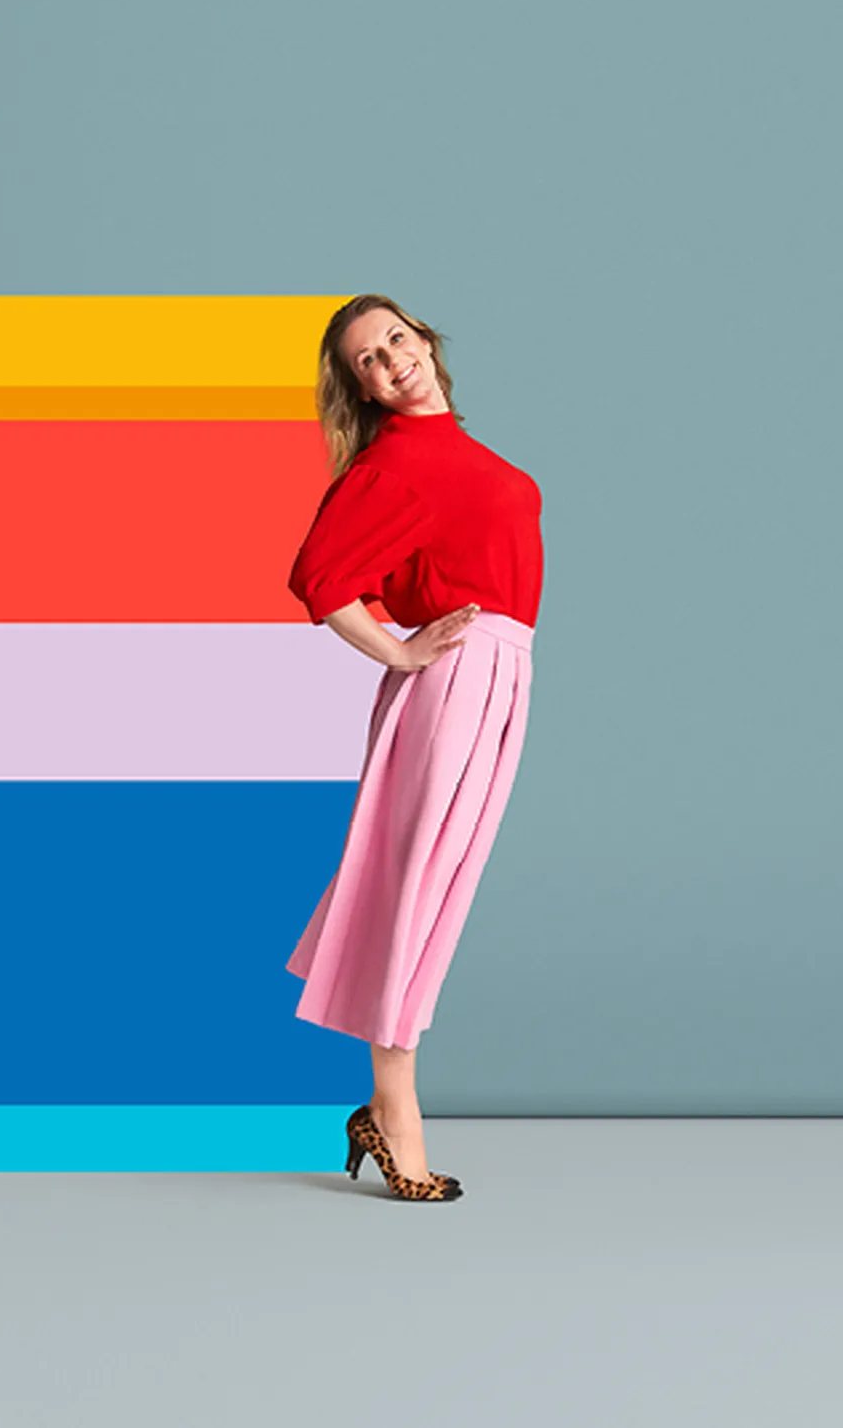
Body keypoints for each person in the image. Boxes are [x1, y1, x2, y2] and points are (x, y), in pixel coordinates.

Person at [281, 294, 545, 1203]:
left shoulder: (459, 455)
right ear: (363, 388)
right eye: (368, 359)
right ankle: (396, 1112)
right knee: (418, 890)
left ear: (425, 340)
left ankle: (386, 1103)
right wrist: (398, 652)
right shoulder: (395, 464)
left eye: (396, 338)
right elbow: (318, 576)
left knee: (438, 889)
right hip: (456, 676)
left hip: (502, 671)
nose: (391, 359)